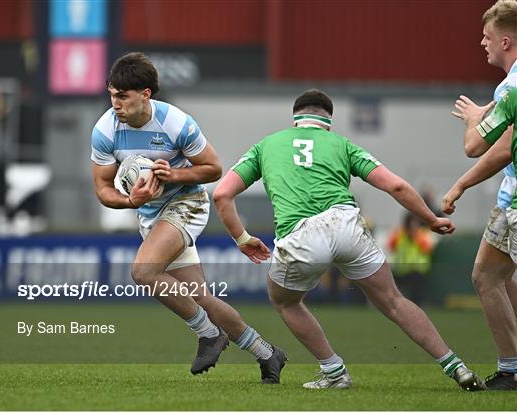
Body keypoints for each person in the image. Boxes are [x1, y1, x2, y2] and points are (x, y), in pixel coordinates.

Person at [212, 88, 485, 391]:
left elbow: (222, 194)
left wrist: (242, 237)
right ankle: (455, 366)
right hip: (347, 225)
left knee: (285, 301)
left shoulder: (267, 146)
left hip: (301, 237)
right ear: (327, 123)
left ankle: (334, 371)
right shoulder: (342, 144)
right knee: (394, 301)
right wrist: (431, 219)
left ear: (295, 121)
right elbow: (395, 186)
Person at [91, 52, 286, 383]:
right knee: (199, 298)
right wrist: (129, 200)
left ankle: (208, 334)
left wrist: (174, 176)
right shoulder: (105, 129)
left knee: (143, 270)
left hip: (187, 203)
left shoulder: (176, 123)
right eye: (112, 95)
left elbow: (213, 169)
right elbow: (102, 189)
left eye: (122, 96)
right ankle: (267, 354)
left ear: (145, 94)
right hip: (152, 215)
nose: (116, 104)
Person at [442, 0, 517, 390]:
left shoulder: (511, 86)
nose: (481, 43)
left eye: (487, 37)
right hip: (509, 202)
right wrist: (460, 186)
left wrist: (474, 119)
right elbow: (506, 148)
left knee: (487, 277)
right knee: (494, 275)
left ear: (506, 41)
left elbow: (476, 146)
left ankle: (511, 369)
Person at [387, 213, 434, 306]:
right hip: (400, 271)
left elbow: (428, 248)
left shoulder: (422, 235)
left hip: (418, 271)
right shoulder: (399, 235)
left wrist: (416, 237)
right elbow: (390, 246)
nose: (412, 227)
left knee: (416, 291)